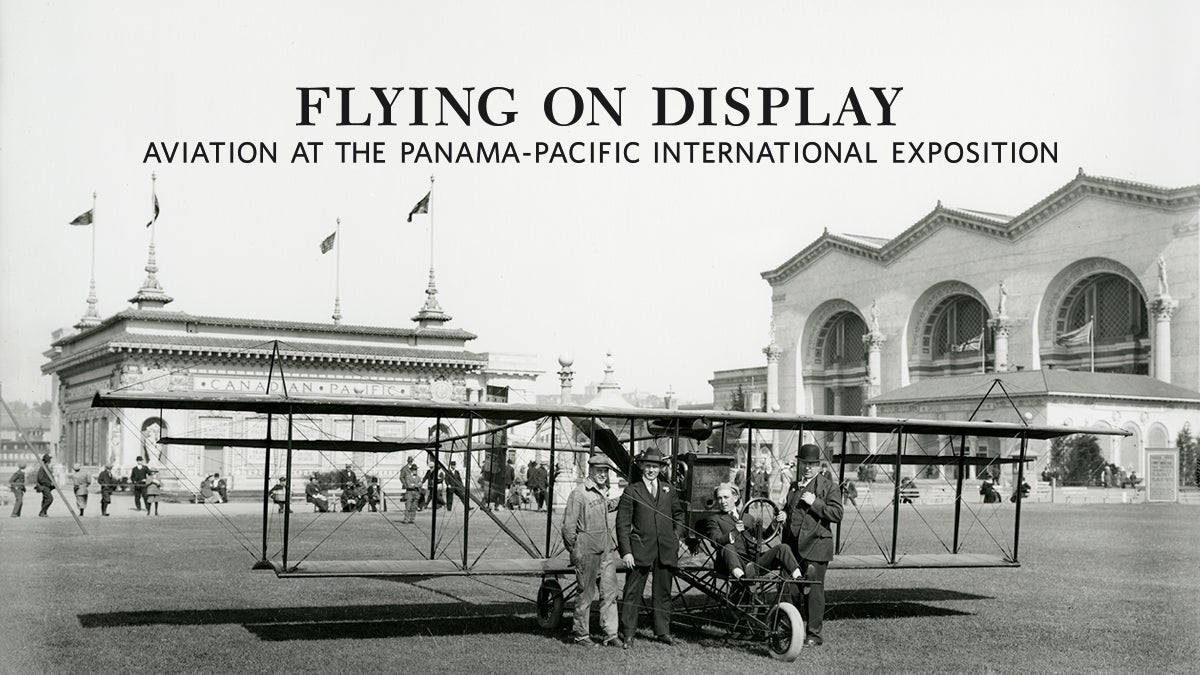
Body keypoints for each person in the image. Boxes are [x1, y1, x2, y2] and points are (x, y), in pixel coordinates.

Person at [616, 446, 686, 648]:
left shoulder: (668, 490)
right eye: (648, 466)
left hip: (665, 549)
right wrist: (627, 551)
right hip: (639, 551)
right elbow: (622, 523)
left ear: (660, 468)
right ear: (642, 467)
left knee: (663, 592)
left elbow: (679, 515)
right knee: (632, 592)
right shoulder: (632, 490)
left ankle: (663, 632)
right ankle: (628, 633)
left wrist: (675, 536)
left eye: (655, 467)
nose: (651, 470)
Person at [781, 443, 844, 648]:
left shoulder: (829, 486)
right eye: (804, 463)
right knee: (791, 589)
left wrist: (815, 502)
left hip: (816, 547)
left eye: (812, 464)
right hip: (791, 547)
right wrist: (783, 515)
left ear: (819, 466)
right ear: (799, 464)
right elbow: (790, 510)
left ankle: (813, 635)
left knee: (813, 591)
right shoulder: (793, 486)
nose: (807, 467)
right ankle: (792, 630)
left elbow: (837, 514)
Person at [702, 484, 803, 606]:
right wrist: (733, 532)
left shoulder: (747, 517)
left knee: (783, 548)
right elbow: (716, 541)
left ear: (735, 498)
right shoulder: (714, 519)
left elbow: (763, 536)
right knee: (727, 546)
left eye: (726, 497)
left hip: (753, 564)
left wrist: (775, 522)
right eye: (719, 498)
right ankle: (744, 579)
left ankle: (800, 579)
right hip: (731, 563)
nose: (722, 501)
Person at [562, 453, 622, 648]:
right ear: (591, 470)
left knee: (610, 593)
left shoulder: (602, 492)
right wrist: (576, 550)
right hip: (586, 551)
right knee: (585, 594)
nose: (603, 474)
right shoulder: (579, 494)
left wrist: (625, 497)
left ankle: (610, 634)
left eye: (605, 471)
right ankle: (580, 634)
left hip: (606, 550)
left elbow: (607, 506)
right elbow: (568, 528)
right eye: (599, 470)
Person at [399, 456, 421, 523]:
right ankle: (406, 519)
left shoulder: (418, 477)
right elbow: (402, 477)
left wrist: (414, 485)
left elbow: (420, 484)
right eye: (409, 461)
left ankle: (412, 518)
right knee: (408, 505)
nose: (410, 462)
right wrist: (406, 485)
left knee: (414, 506)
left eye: (411, 461)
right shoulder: (404, 469)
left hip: (415, 492)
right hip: (408, 490)